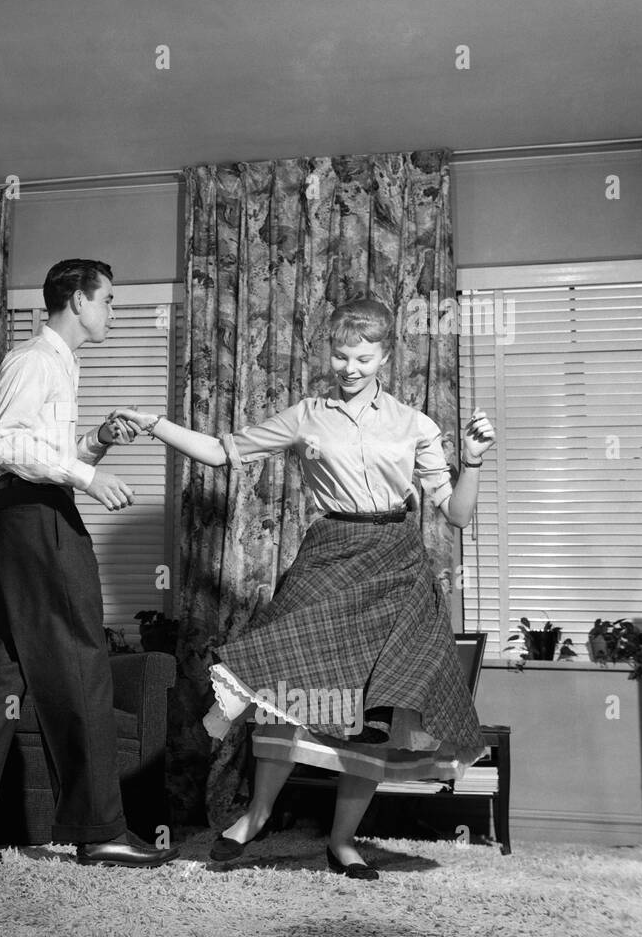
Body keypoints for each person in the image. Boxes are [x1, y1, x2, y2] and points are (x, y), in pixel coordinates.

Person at [112, 296, 494, 880]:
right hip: (329, 555)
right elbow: (221, 452)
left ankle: (343, 842)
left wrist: (471, 463)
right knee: (285, 688)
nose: (350, 368)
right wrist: (154, 423)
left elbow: (458, 516)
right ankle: (256, 816)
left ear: (385, 357)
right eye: (341, 355)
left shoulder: (415, 425)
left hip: (396, 567)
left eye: (363, 357)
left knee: (375, 710)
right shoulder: (306, 415)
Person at [0, 259, 180, 869]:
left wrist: (98, 442)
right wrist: (89, 475)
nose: (112, 311)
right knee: (83, 658)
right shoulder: (34, 358)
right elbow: (4, 444)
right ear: (78, 301)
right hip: (34, 519)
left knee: (1, 668)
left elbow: (45, 451)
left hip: (22, 515)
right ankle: (101, 830)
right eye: (108, 300)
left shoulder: (62, 364)